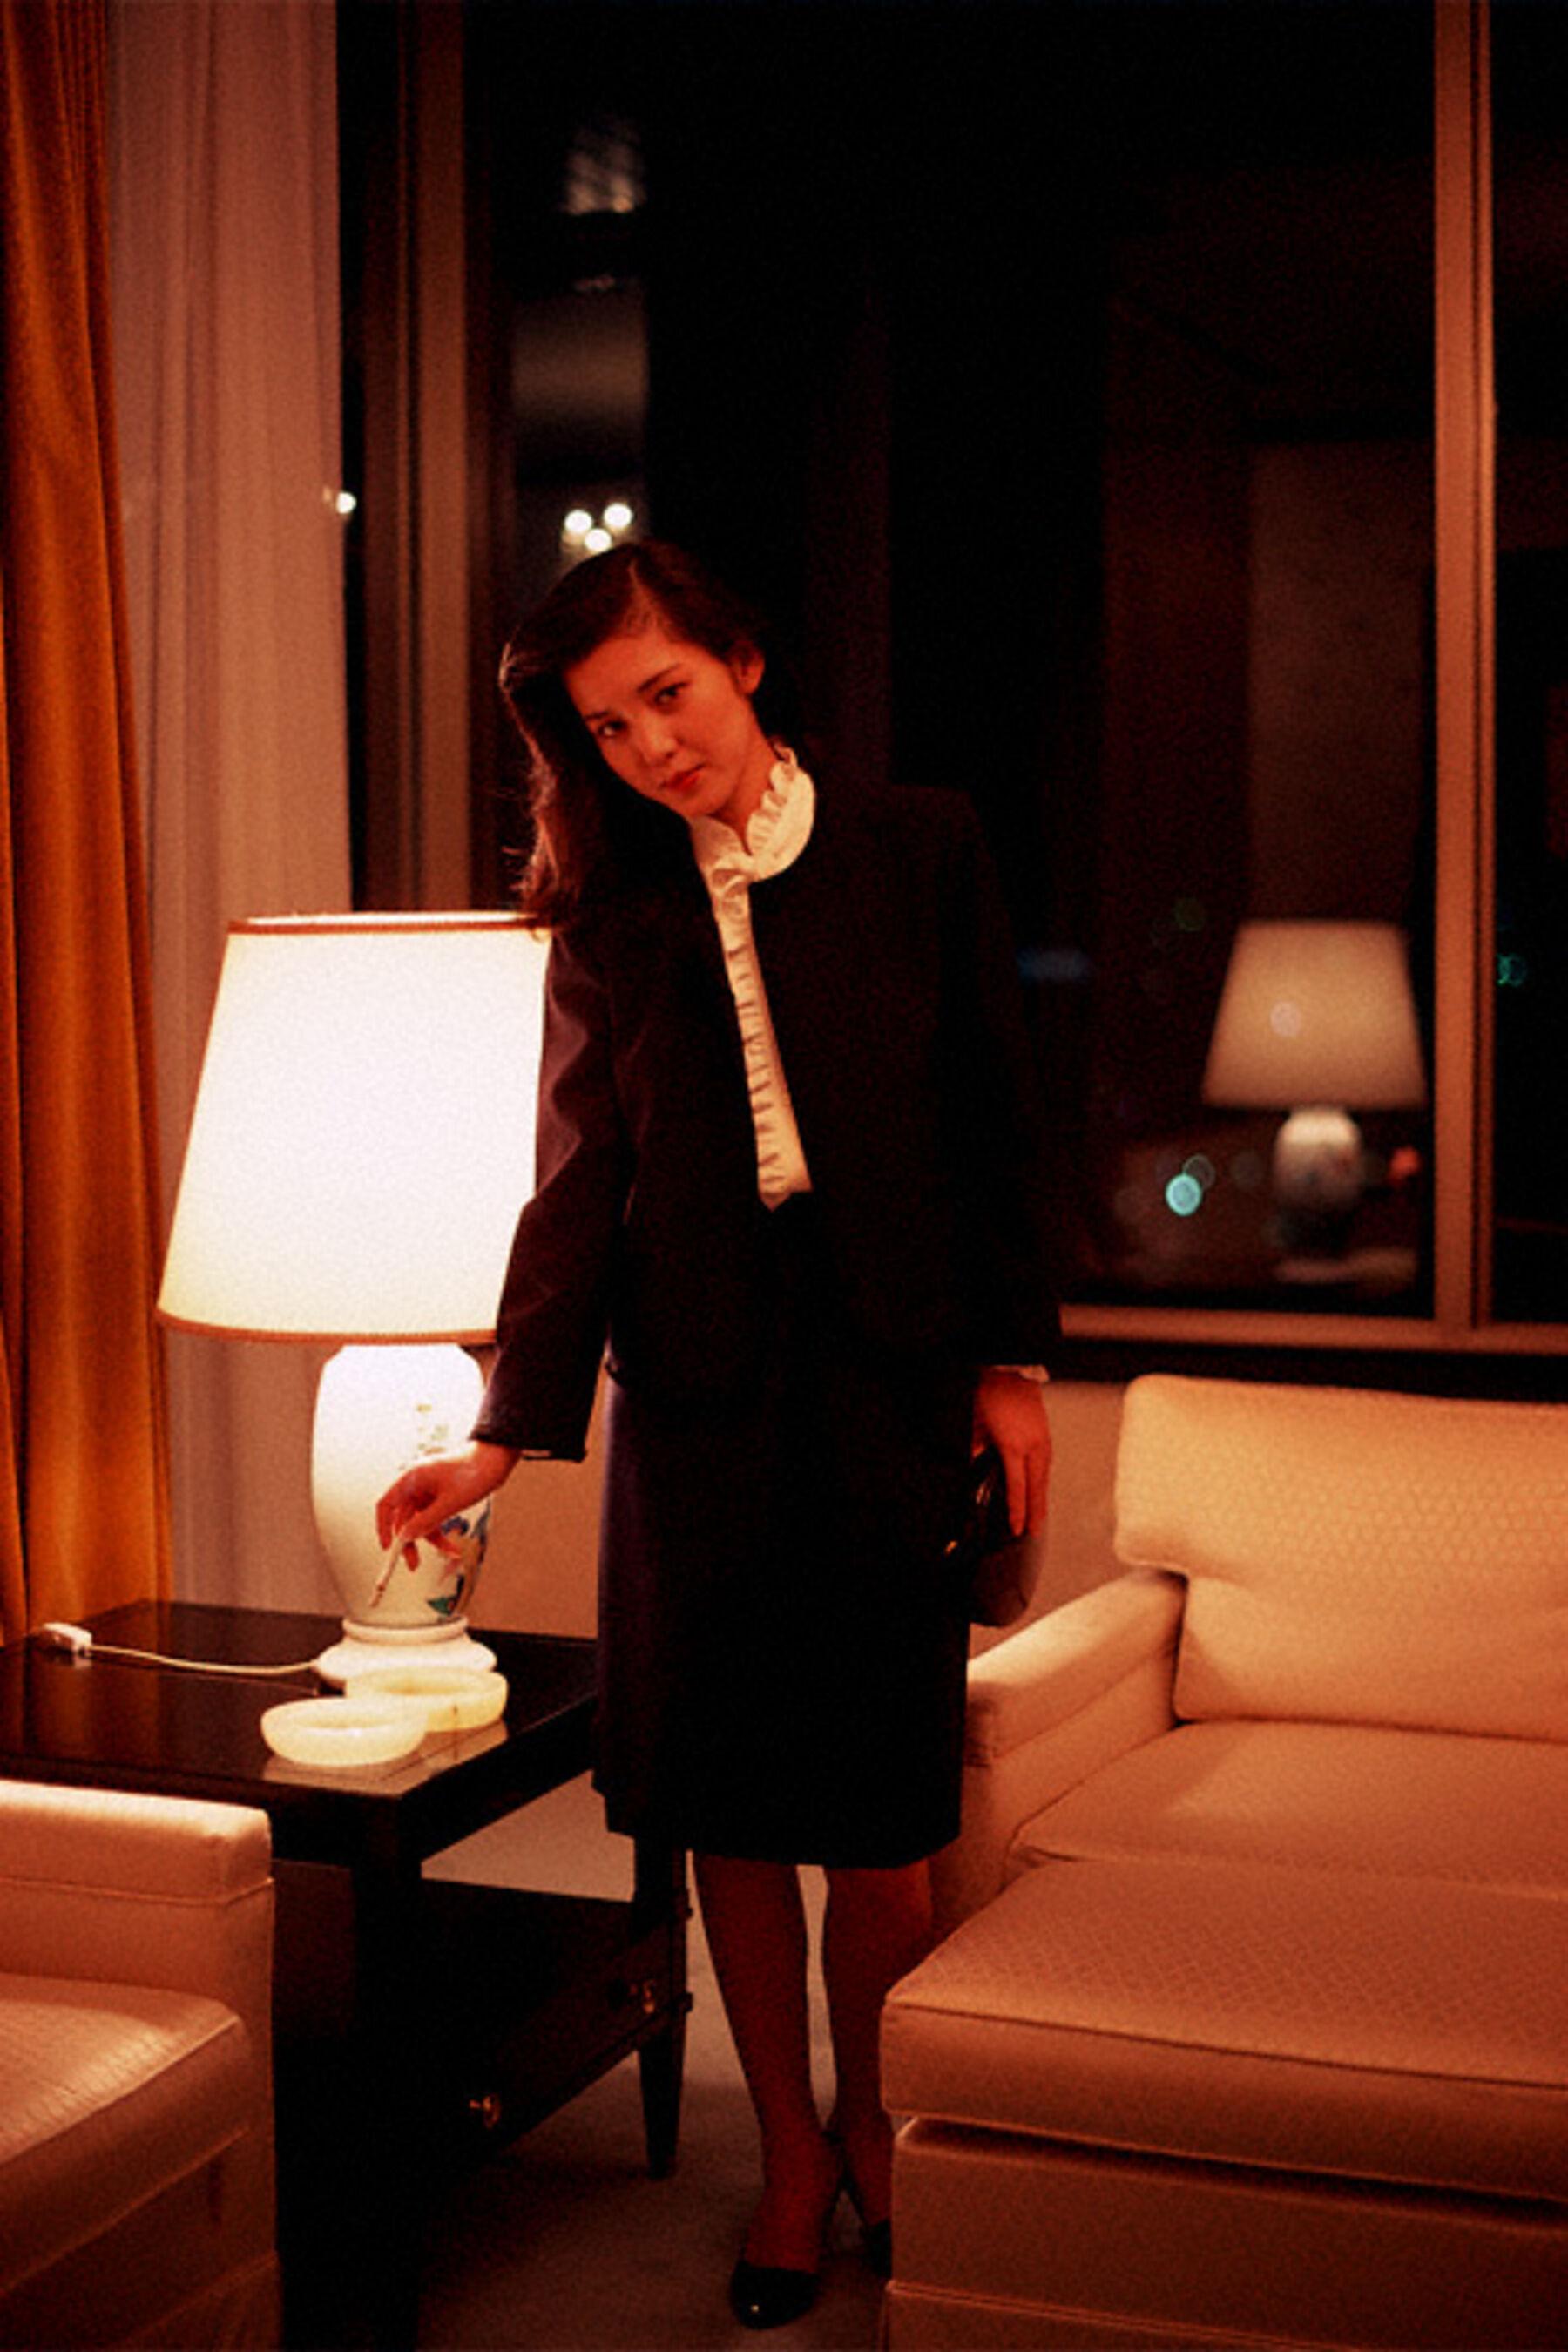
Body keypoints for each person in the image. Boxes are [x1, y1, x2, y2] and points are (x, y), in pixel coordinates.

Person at [376, 540, 1058, 2329]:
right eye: (607, 728)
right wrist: (504, 1434)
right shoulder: (611, 911)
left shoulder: (920, 846)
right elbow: (580, 1183)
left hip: (888, 1382)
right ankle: (791, 2158)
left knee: (883, 1825)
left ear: (743, 663)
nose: (650, 746)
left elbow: (995, 1113)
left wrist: (1009, 1367)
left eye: (666, 696)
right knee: (731, 1820)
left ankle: (876, 2128)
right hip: (693, 1407)